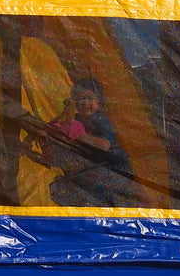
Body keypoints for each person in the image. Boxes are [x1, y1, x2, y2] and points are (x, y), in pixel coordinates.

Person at [43, 78, 140, 208]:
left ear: (99, 101)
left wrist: (80, 136)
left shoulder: (100, 120)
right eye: (80, 100)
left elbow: (105, 145)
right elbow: (59, 124)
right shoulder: (75, 119)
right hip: (88, 169)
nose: (85, 103)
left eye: (90, 98)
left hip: (110, 168)